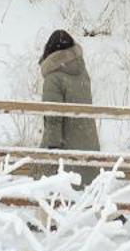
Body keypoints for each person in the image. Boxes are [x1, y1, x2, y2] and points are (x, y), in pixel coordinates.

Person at [38, 29, 100, 188]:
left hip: (67, 147)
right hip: (89, 145)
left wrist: (51, 152)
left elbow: (53, 117)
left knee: (44, 191)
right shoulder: (82, 71)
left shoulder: (53, 78)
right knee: (86, 200)